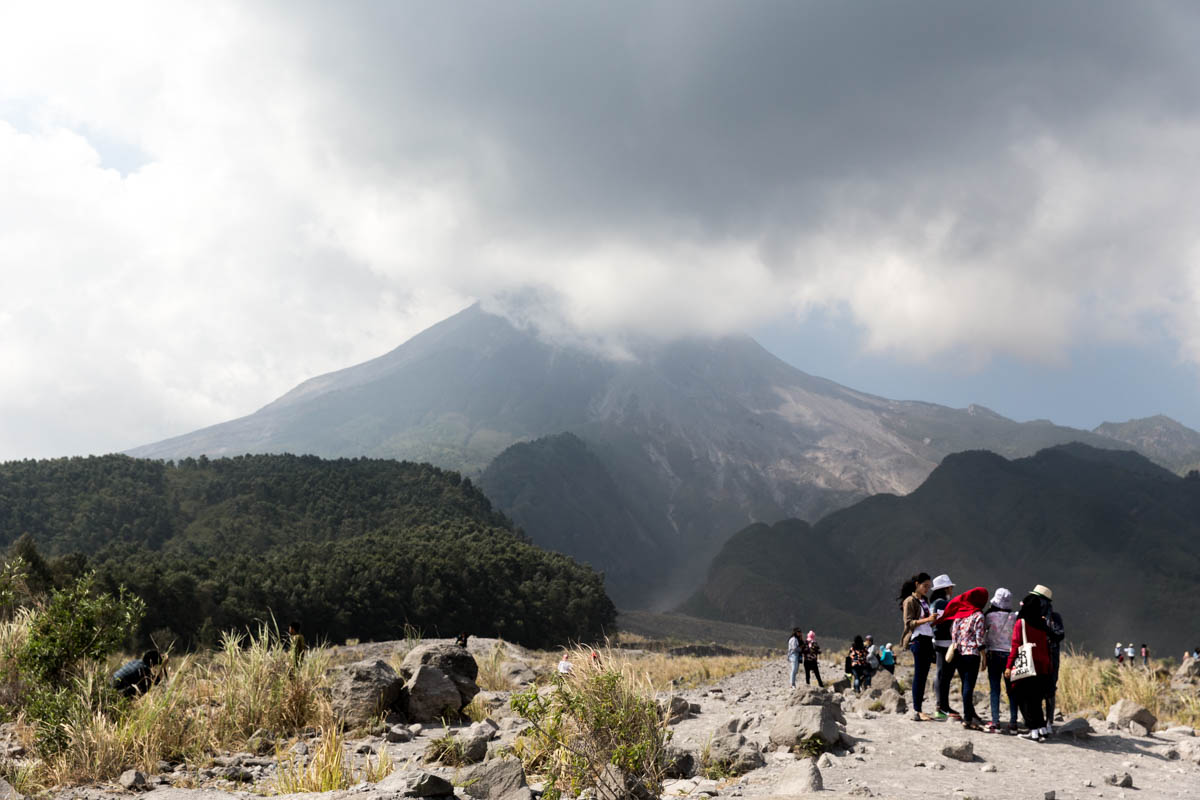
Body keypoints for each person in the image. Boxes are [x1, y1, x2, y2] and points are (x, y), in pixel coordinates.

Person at [1005, 592, 1053, 741]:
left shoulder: (1022, 623)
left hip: (1028, 664)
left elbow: (1015, 645)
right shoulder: (1042, 623)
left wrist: (1009, 666)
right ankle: (1042, 729)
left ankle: (1033, 731)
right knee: (1037, 699)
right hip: (1042, 666)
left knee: (1025, 699)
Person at [943, 587, 989, 730]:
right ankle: (968, 719)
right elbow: (979, 639)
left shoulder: (959, 615)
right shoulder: (978, 616)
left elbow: (953, 634)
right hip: (972, 655)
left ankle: (970, 713)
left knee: (965, 685)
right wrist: (984, 657)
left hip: (959, 654)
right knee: (969, 686)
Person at [899, 572, 938, 721]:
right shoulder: (909, 601)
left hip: (928, 639)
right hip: (917, 639)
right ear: (917, 584)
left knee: (923, 675)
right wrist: (927, 619)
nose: (927, 589)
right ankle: (917, 709)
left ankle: (919, 709)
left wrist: (933, 620)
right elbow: (909, 623)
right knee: (919, 675)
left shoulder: (925, 600)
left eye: (929, 586)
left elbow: (926, 622)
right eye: (925, 586)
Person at [983, 588, 1019, 733]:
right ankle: (1013, 722)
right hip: (1010, 657)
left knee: (995, 689)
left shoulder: (989, 616)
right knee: (1012, 690)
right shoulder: (1014, 617)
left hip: (993, 655)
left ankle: (996, 721)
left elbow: (983, 631)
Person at [1032, 585, 1063, 730]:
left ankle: (1049, 720)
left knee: (1050, 688)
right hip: (1036, 656)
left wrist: (1045, 628)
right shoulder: (1032, 615)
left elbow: (1059, 635)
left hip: (1051, 657)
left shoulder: (1054, 618)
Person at [929, 573, 959, 720]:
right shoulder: (942, 604)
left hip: (937, 643)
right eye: (950, 588)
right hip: (945, 643)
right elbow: (943, 623)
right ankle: (942, 707)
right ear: (946, 588)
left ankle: (942, 705)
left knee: (941, 675)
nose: (951, 590)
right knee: (944, 676)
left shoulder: (934, 603)